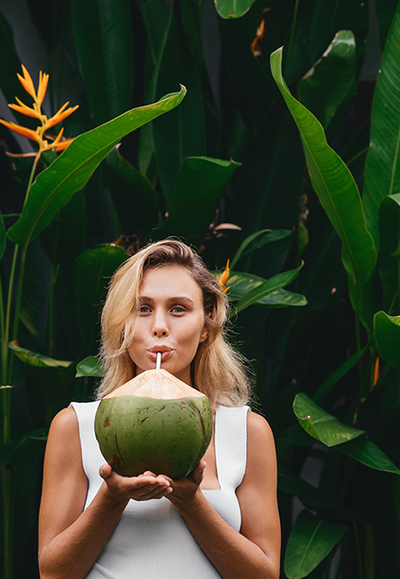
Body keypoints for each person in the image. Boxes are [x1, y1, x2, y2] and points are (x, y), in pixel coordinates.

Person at [38, 240, 280, 579]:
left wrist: (191, 503)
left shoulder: (247, 432)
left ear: (206, 326)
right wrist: (111, 497)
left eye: (178, 309)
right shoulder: (75, 426)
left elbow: (264, 575)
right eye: (143, 309)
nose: (160, 326)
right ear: (122, 324)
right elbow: (53, 574)